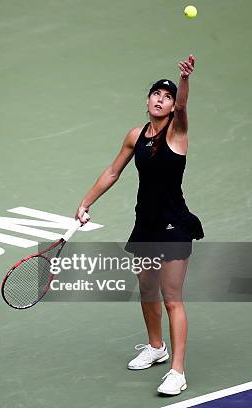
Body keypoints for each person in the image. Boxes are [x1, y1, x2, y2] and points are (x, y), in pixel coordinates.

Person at [74, 55, 204, 396]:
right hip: (145, 224)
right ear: (147, 100)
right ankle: (156, 346)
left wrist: (184, 79)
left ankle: (178, 371)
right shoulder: (136, 135)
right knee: (147, 290)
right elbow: (113, 172)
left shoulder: (177, 132)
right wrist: (86, 202)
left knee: (172, 298)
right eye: (155, 94)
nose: (160, 99)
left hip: (175, 226)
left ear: (174, 106)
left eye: (167, 96)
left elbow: (185, 103)